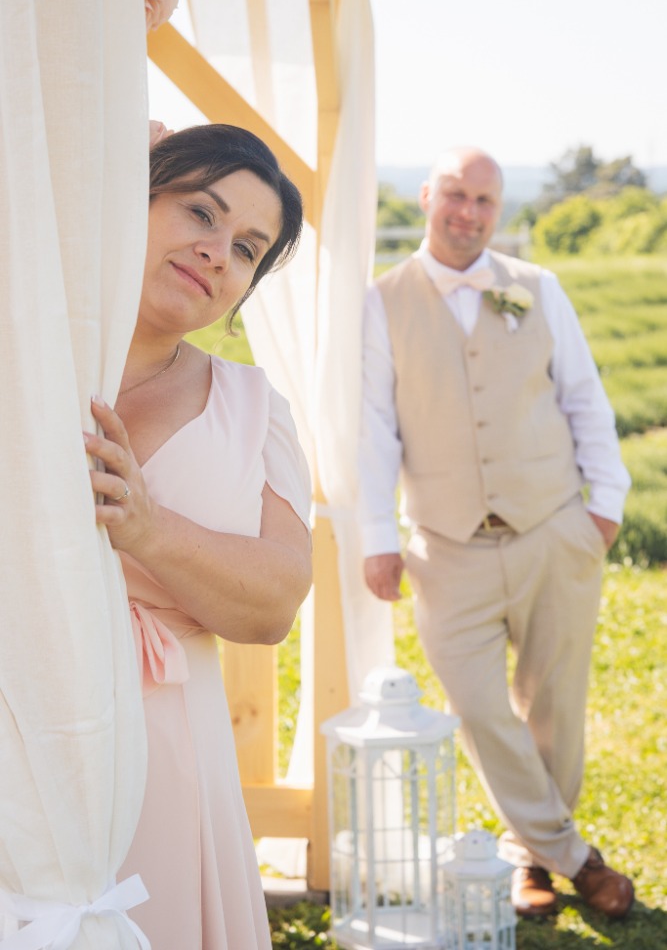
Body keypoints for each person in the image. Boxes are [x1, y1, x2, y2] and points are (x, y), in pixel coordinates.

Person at [358, 146, 634, 920]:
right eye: (454, 194)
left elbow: (583, 397)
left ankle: (527, 862)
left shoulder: (537, 289)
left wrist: (603, 505)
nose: (467, 213)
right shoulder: (381, 301)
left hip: (552, 527)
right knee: (478, 708)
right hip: (444, 545)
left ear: (498, 210)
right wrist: (377, 533)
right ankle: (576, 859)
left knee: (555, 705)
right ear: (425, 196)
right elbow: (374, 427)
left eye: (484, 199)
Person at [84, 124, 312, 949]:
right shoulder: (29, 352)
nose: (219, 252)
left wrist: (149, 529)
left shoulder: (253, 411)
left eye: (248, 247)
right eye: (199, 214)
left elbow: (275, 605)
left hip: (165, 748)